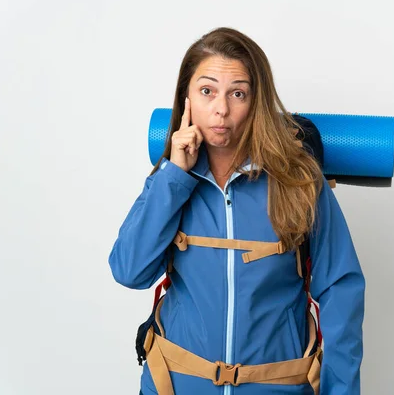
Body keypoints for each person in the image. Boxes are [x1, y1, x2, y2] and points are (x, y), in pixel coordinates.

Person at [108, 27, 365, 395]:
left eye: (238, 93)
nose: (221, 110)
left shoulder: (300, 181)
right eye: (207, 91)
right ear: (187, 99)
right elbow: (128, 271)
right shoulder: (170, 180)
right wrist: (174, 177)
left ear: (256, 102)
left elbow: (342, 291)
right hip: (175, 386)